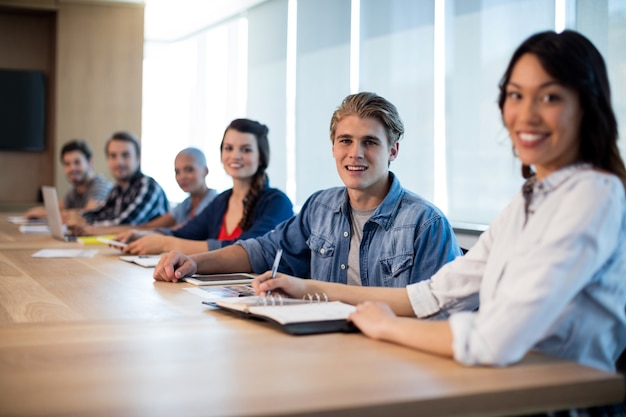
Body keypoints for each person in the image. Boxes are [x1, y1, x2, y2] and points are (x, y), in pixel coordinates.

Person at [246, 30, 626, 382]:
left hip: (558, 400)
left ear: (587, 107)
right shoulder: (531, 198)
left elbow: (495, 338)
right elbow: (429, 294)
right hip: (506, 386)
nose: (526, 114)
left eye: (550, 97)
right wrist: (306, 287)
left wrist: (386, 325)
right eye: (516, 95)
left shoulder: (594, 193)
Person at [154, 92, 462, 287]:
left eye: (369, 142)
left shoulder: (426, 223)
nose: (355, 153)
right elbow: (261, 251)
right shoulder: (320, 208)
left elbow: (438, 312)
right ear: (332, 147)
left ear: (393, 151)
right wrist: (195, 263)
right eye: (345, 141)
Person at [117, 118, 294, 255]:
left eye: (246, 150)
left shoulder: (277, 202)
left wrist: (165, 243)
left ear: (261, 157)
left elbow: (246, 250)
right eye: (229, 148)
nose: (235, 156)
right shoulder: (222, 201)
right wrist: (145, 235)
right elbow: (186, 232)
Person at [98, 147, 218, 238]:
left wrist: (142, 235)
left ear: (205, 170)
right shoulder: (185, 204)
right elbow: (150, 226)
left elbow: (180, 231)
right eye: (177, 172)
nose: (182, 177)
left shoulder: (215, 202)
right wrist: (134, 233)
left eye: (189, 169)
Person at [70, 131, 169, 234]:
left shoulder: (148, 187)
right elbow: (98, 212)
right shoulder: (117, 189)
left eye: (125, 155)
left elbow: (126, 223)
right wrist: (78, 218)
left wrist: (87, 225)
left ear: (138, 158)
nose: (119, 162)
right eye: (113, 156)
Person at [23, 139, 112, 219]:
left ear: (90, 162)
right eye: (67, 164)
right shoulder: (75, 190)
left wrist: (45, 213)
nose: (72, 168)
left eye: (77, 162)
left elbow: (88, 214)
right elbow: (57, 209)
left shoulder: (100, 186)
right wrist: (38, 211)